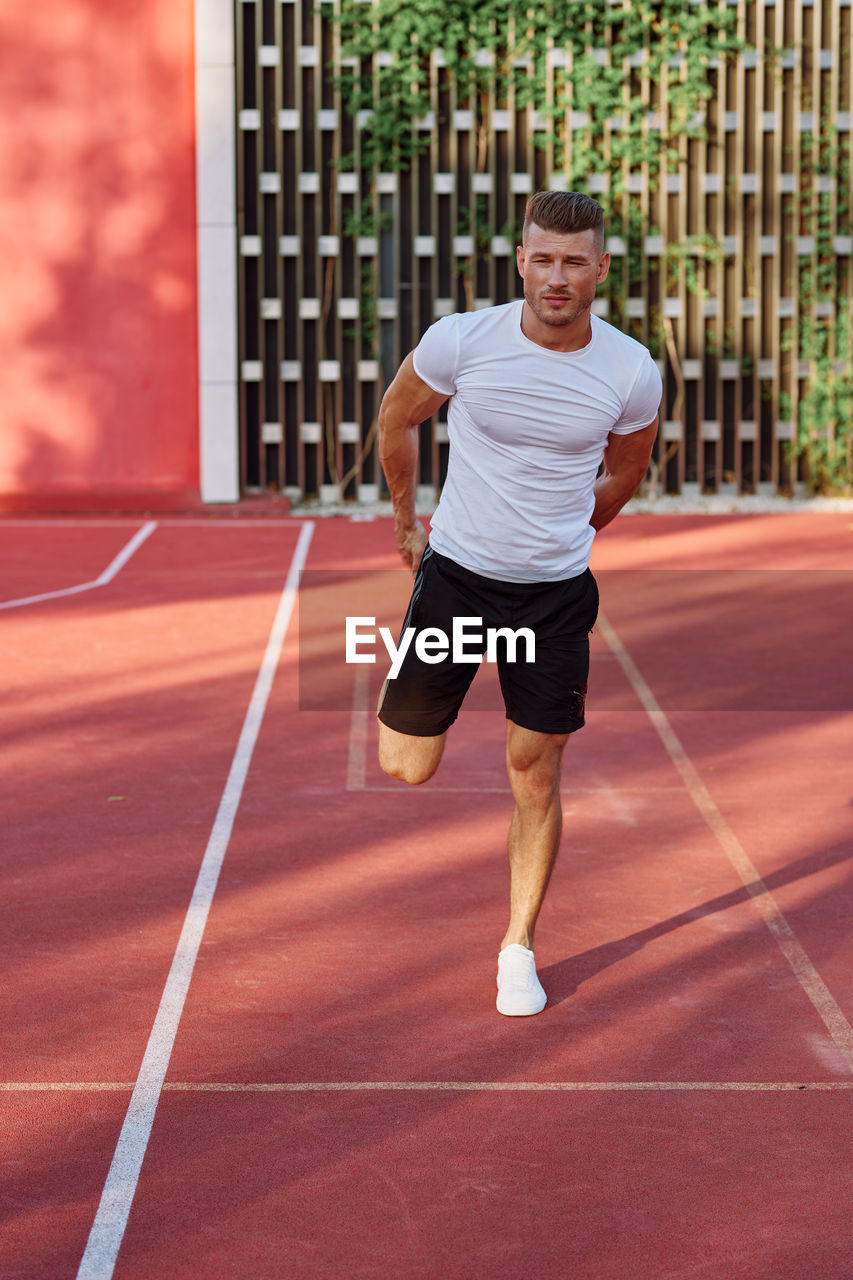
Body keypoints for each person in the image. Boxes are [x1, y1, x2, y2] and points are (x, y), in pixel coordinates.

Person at [375, 190, 662, 1016]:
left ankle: (517, 946)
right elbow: (398, 419)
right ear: (521, 261)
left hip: (553, 599)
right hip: (458, 579)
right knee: (406, 765)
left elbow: (626, 468)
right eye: (543, 259)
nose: (557, 277)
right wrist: (404, 521)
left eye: (574, 261)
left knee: (533, 773)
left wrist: (574, 530)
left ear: (600, 268)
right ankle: (422, 690)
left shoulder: (628, 369)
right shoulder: (462, 341)